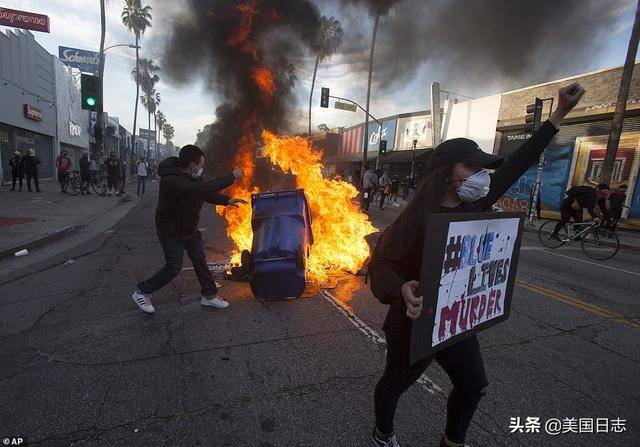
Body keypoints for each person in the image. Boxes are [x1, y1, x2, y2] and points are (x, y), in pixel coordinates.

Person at [367, 83, 585, 447]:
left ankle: (453, 441)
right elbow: (380, 268)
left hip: (455, 320)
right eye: (472, 166)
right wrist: (400, 288)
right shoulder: (413, 218)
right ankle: (383, 432)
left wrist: (558, 115)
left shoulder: (477, 204)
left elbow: (519, 161)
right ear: (445, 172)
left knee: (473, 387)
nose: (482, 175)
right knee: (394, 385)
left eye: (483, 168)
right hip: (414, 325)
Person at [131, 144, 247, 314]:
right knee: (173, 267)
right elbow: (197, 189)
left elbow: (205, 193)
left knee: (199, 259)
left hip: (189, 227)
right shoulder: (171, 181)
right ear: (192, 165)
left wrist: (227, 200)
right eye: (200, 165)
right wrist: (232, 177)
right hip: (171, 230)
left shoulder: (192, 176)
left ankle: (209, 296)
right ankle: (142, 291)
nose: (201, 169)